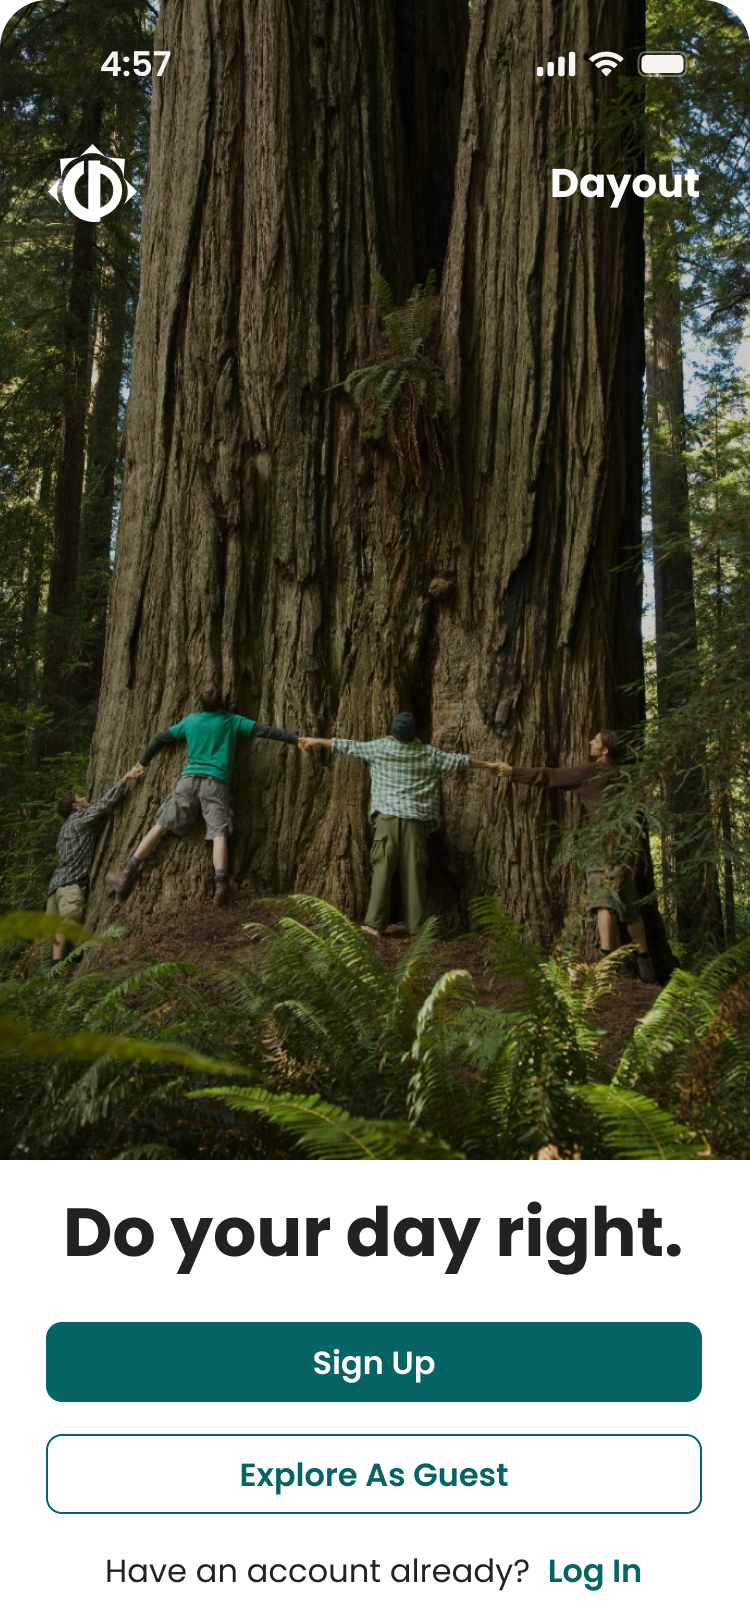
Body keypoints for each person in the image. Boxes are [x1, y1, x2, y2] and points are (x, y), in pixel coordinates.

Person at [298, 711, 503, 936]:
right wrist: (490, 765)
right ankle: (417, 928)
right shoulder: (428, 754)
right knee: (414, 874)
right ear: (413, 734)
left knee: (382, 870)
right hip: (415, 823)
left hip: (387, 821)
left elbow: (347, 746)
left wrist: (316, 740)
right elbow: (460, 761)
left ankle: (375, 925)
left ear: (393, 732)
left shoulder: (379, 748)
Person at [105, 683, 299, 906]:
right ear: (222, 703)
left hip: (188, 782)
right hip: (215, 784)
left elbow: (160, 738)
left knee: (160, 826)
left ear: (201, 703)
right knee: (218, 834)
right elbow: (266, 731)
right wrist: (296, 740)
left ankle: (127, 872)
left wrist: (142, 763)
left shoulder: (191, 721)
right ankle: (222, 887)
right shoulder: (232, 721)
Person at [496, 729, 656, 982]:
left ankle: (606, 964)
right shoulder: (626, 774)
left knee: (604, 901)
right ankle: (646, 964)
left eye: (596, 740)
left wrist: (513, 772)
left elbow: (551, 776)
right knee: (629, 906)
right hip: (627, 848)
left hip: (604, 846)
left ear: (605, 751)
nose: (590, 742)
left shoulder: (592, 772)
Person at [46, 764, 144, 965]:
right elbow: (103, 805)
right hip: (69, 886)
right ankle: (56, 968)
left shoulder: (64, 829)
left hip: (54, 887)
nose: (84, 798)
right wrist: (124, 779)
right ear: (75, 806)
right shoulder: (79, 820)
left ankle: (52, 969)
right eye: (80, 797)